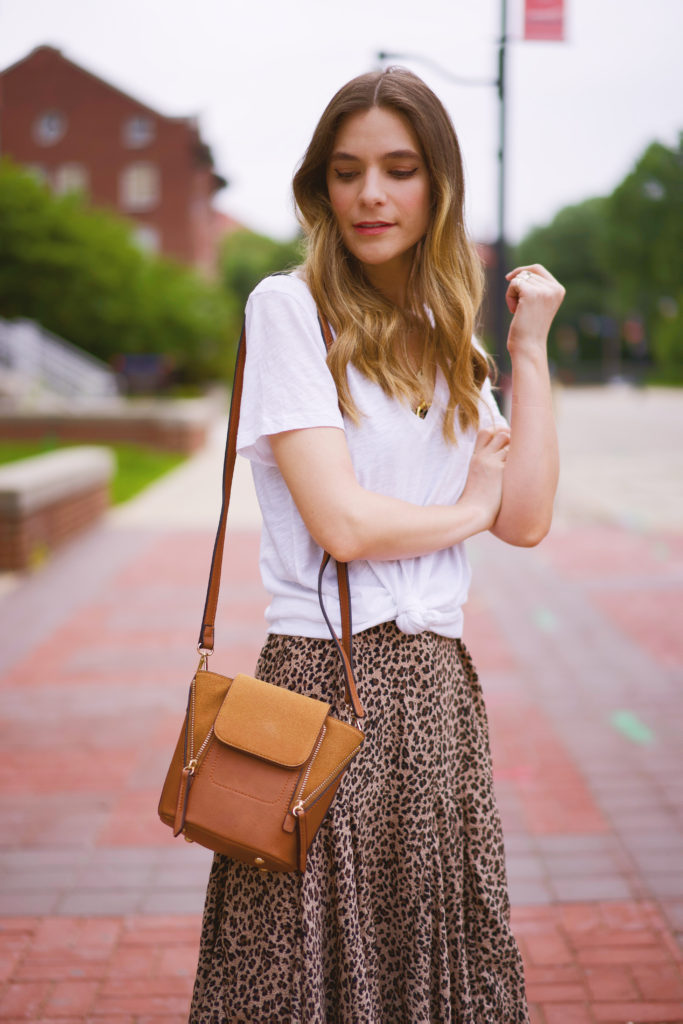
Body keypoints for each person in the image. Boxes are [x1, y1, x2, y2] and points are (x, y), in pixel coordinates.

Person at [189, 66, 564, 1024]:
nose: (371, 194)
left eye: (398, 169)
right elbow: (342, 525)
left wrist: (526, 351)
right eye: (347, 171)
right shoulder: (289, 308)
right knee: (304, 973)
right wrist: (470, 509)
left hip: (437, 693)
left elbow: (523, 517)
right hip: (322, 685)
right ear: (321, 187)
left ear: (435, 186)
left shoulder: (445, 333)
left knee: (428, 975)